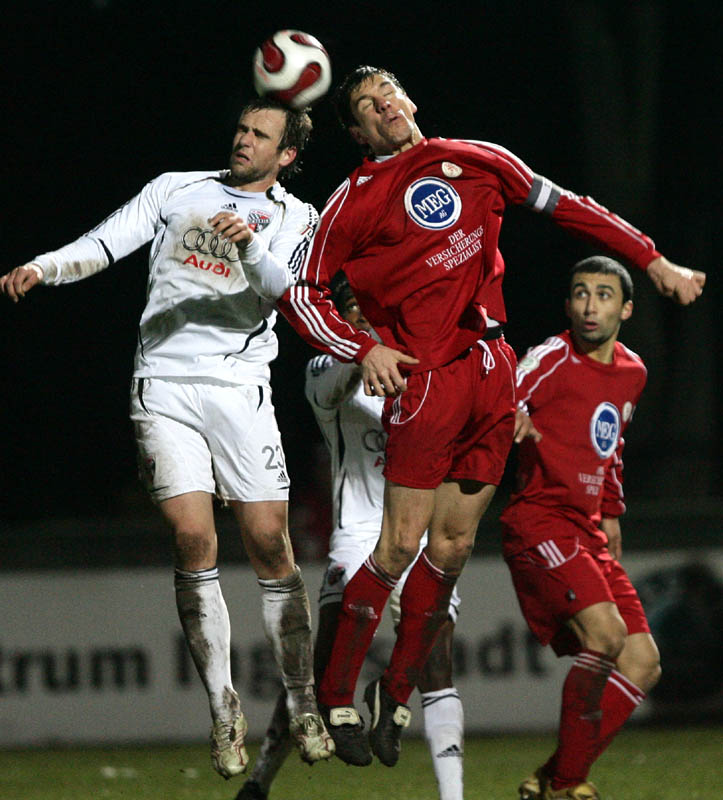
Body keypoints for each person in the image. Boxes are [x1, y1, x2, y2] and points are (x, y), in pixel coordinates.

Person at [276, 64, 706, 767]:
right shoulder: (354, 198)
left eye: (388, 90)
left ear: (410, 98)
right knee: (397, 547)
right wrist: (364, 347)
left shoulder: (476, 160)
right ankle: (335, 694)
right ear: (357, 132)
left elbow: (571, 208)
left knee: (448, 553)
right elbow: (303, 294)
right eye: (364, 104)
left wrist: (651, 261)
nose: (383, 104)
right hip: (427, 379)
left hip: (490, 370)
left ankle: (398, 691)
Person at [0, 97, 334, 778]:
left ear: (287, 156)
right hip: (164, 384)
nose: (242, 139)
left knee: (270, 543)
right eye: (240, 127)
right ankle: (222, 709)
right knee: (191, 538)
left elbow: (290, 293)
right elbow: (104, 242)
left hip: (240, 392)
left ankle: (302, 702)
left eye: (259, 134)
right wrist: (43, 266)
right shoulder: (176, 189)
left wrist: (247, 244)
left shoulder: (301, 218)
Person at [236, 273, 465, 800]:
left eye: (372, 307)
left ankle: (453, 795)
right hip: (360, 534)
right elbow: (344, 374)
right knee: (321, 671)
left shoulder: (426, 367)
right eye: (351, 310)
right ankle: (260, 780)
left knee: (437, 663)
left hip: (421, 536)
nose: (363, 316)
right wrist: (368, 348)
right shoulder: (325, 369)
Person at [501, 256, 660, 800]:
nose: (590, 306)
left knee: (642, 663)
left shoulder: (632, 372)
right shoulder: (552, 357)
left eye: (604, 295)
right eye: (580, 293)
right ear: (568, 303)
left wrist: (611, 510)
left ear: (627, 308)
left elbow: (610, 448)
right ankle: (568, 786)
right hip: (539, 519)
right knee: (606, 637)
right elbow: (504, 393)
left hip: (588, 527)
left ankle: (550, 778)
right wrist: (510, 413)